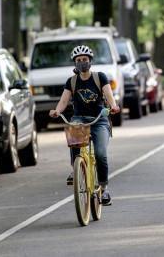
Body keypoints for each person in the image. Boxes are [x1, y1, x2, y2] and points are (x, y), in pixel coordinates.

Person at [49, 45, 120, 206]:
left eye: (85, 60)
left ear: (90, 61)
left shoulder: (99, 77)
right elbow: (64, 101)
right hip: (79, 119)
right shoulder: (72, 81)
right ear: (75, 63)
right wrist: (57, 111)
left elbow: (109, 95)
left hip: (99, 120)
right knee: (73, 134)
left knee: (101, 154)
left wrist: (113, 106)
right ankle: (76, 169)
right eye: (79, 60)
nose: (82, 63)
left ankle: (103, 188)